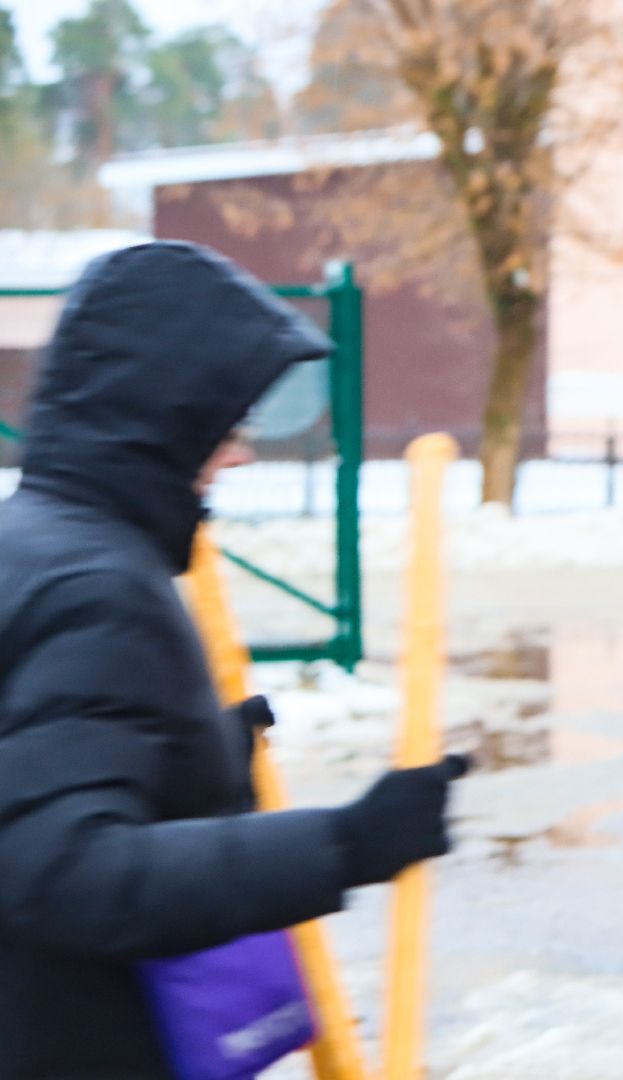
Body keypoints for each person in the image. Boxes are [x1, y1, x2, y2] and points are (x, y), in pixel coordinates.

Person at [0, 242, 466, 1079]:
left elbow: (39, 762)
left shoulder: (29, 540)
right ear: (164, 411)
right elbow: (66, 874)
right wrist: (346, 843)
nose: (241, 451)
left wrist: (192, 756)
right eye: (227, 421)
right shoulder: (102, 587)